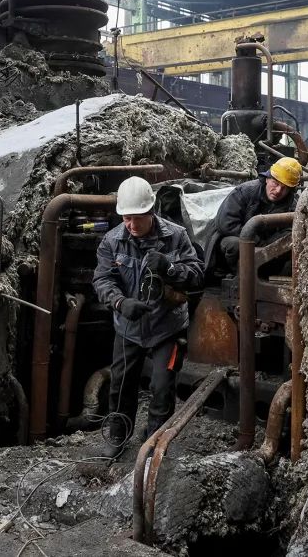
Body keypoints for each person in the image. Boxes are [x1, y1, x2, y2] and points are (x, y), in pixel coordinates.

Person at [92, 176, 204, 458]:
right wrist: (120, 302)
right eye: (126, 218)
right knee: (121, 385)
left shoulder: (175, 236)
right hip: (128, 327)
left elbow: (197, 274)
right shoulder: (112, 240)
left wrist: (169, 267)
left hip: (167, 327)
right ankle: (118, 435)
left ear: (150, 212)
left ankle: (154, 442)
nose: (130, 225)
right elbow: (103, 279)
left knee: (162, 387)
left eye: (136, 218)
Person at [206, 156, 302, 276]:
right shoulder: (245, 191)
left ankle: (263, 275)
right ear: (267, 179)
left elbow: (290, 231)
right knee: (235, 245)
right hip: (236, 237)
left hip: (267, 244)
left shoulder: (292, 205)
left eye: (284, 188)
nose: (277, 191)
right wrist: (257, 241)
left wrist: (269, 246)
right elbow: (226, 224)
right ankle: (235, 276)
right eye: (275, 183)